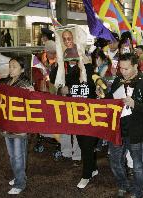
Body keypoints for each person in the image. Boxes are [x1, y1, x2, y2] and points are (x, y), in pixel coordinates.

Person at [107, 53, 143, 198]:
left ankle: (138, 191)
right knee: (115, 162)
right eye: (121, 68)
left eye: (126, 69)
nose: (123, 71)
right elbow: (111, 102)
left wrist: (135, 104)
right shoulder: (117, 81)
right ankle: (123, 185)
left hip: (137, 131)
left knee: (138, 165)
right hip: (118, 130)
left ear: (135, 66)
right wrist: (104, 97)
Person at [59, 47, 98, 189]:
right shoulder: (73, 72)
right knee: (82, 144)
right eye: (80, 57)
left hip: (91, 116)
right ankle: (93, 168)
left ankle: (86, 175)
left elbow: (97, 89)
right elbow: (63, 87)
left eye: (85, 57)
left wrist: (86, 66)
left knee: (87, 145)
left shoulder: (93, 74)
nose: (81, 59)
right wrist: (63, 90)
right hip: (76, 115)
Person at [0, 57, 34, 194]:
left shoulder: (24, 84)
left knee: (18, 156)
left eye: (14, 66)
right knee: (13, 155)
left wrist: (32, 93)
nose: (11, 69)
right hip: (7, 125)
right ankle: (19, 176)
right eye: (10, 66)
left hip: (19, 127)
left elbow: (31, 102)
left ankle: (20, 183)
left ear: (22, 69)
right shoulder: (7, 82)